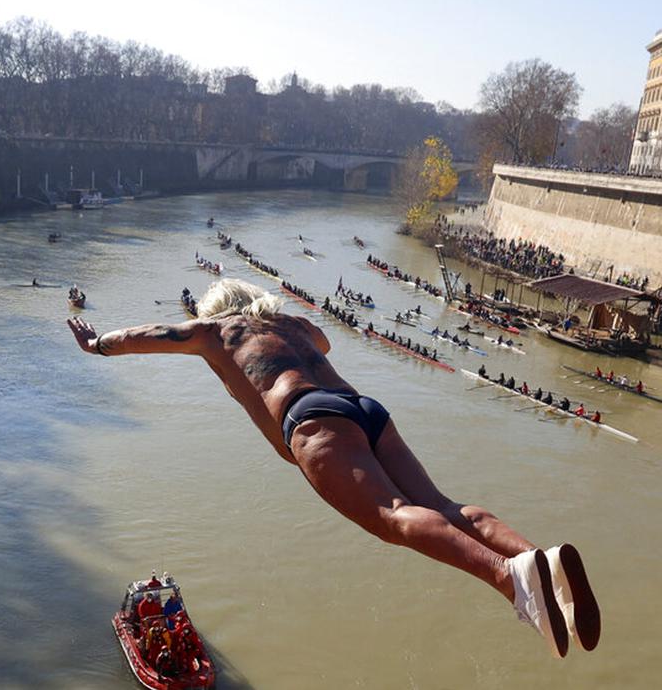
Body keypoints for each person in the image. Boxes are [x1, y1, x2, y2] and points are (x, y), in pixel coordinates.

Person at [68, 278, 600, 658]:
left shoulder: (216, 331)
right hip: (364, 409)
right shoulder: (292, 323)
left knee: (396, 516)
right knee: (443, 505)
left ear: (219, 308)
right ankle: (537, 557)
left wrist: (99, 345)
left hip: (310, 421)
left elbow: (158, 333)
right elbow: (323, 342)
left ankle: (512, 580)